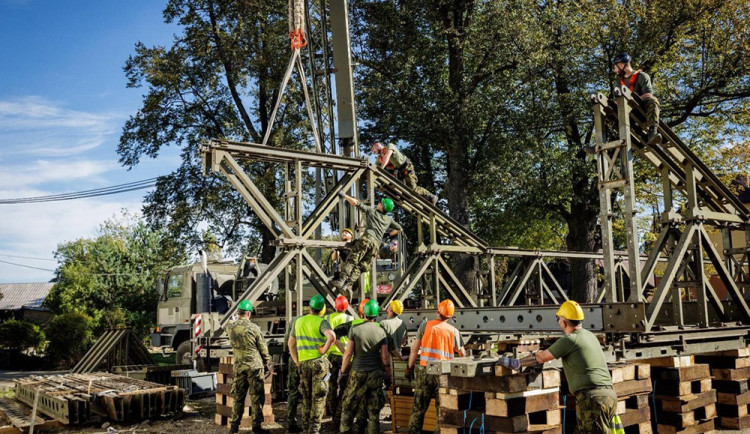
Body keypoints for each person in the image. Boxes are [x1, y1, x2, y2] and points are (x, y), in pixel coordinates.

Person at [499, 300, 621, 434]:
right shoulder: (590, 336)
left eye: (559, 318)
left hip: (593, 399)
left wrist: (516, 363)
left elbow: (540, 357)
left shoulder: (569, 340)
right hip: (609, 396)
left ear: (564, 322)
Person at [405, 300, 465, 434]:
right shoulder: (453, 331)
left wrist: (409, 367)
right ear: (450, 316)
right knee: (441, 410)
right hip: (443, 374)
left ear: (438, 311)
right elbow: (462, 354)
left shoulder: (425, 326)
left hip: (425, 371)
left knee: (418, 408)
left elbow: (414, 350)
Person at [288, 294, 340, 434]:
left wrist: (296, 361)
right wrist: (323, 350)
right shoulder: (321, 322)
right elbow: (332, 337)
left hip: (304, 364)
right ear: (322, 309)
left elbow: (291, 343)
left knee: (306, 397)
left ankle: (305, 428)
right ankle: (314, 430)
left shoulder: (299, 321)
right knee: (319, 398)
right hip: (319, 365)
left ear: (309, 307)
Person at [338, 300, 392, 434]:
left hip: (357, 372)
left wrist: (343, 371)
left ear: (363, 313)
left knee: (348, 406)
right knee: (373, 411)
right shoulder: (381, 330)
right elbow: (385, 357)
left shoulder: (355, 329)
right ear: (376, 314)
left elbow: (348, 353)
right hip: (375, 373)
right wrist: (388, 372)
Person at [332, 194, 403, 292]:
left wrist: (344, 195)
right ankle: (347, 285)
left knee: (353, 259)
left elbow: (355, 203)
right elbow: (400, 229)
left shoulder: (372, 211)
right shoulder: (388, 219)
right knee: (361, 266)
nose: (378, 203)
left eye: (380, 202)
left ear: (382, 206)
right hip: (376, 246)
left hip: (367, 239)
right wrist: (388, 234)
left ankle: (341, 280)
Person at [225, 300, 271, 434]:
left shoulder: (231, 327)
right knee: (256, 397)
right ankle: (256, 427)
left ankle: (234, 428)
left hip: (239, 367)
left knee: (238, 397)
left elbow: (228, 322)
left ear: (238, 313)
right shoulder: (254, 328)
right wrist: (267, 362)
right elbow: (263, 348)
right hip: (254, 367)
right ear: (249, 313)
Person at [612, 53, 662, 145]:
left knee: (653, 101)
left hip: (642, 110)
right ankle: (609, 140)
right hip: (628, 112)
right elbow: (616, 101)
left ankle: (652, 131)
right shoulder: (619, 83)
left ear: (621, 65)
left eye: (615, 67)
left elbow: (648, 94)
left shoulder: (641, 76)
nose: (615, 71)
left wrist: (632, 100)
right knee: (609, 113)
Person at [371, 142, 438, 205]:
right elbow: (375, 167)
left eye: (374, 150)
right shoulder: (380, 158)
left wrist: (381, 168)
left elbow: (387, 156)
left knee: (413, 190)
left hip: (406, 168)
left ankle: (431, 196)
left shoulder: (389, 146)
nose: (374, 152)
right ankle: (422, 203)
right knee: (403, 192)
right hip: (399, 172)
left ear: (377, 145)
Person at [325, 295, 354, 427]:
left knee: (331, 383)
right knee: (344, 384)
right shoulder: (350, 319)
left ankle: (332, 409)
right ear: (347, 307)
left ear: (335, 306)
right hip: (345, 356)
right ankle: (341, 410)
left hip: (331, 356)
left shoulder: (328, 318)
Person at [283, 314, 302, 432]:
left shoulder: (294, 321)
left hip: (294, 359)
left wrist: (285, 353)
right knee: (310, 392)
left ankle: (291, 422)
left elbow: (287, 339)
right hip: (309, 358)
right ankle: (309, 421)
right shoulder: (318, 321)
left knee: (293, 391)